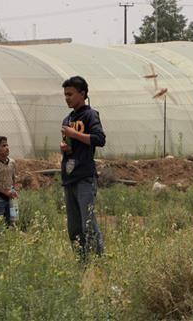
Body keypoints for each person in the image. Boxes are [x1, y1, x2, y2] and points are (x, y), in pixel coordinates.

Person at [60, 76, 106, 260]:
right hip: (69, 178)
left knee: (88, 224)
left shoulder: (90, 115)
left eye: (70, 94)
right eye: (65, 95)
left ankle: (98, 262)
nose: (67, 98)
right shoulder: (68, 118)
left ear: (83, 94)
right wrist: (65, 146)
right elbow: (71, 146)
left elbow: (99, 139)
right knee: (74, 228)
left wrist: (74, 134)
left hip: (84, 177)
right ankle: (83, 264)